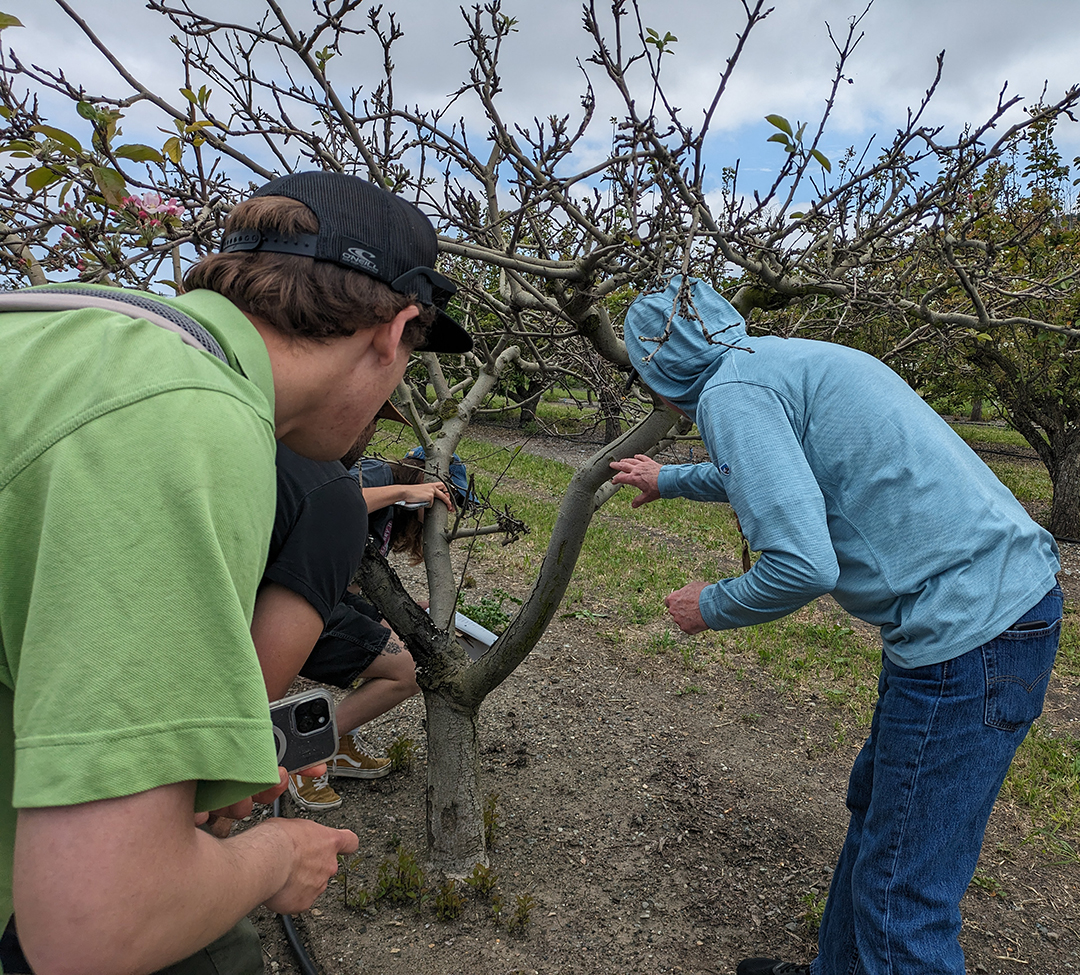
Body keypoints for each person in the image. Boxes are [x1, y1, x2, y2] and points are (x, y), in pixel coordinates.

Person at [0, 170, 471, 974]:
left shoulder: (60, 326)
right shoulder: (187, 424)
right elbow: (95, 927)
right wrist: (281, 855)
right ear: (393, 335)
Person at [609, 277, 1061, 975]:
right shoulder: (777, 363)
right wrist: (668, 480)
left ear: (659, 373)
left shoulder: (732, 395)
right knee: (882, 816)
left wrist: (711, 606)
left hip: (966, 637)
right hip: (999, 609)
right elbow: (770, 471)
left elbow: (803, 566)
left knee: (900, 895)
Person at [255, 417, 456, 813]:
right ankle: (299, 755)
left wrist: (397, 611)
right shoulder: (373, 476)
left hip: (317, 591)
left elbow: (350, 572)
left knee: (395, 635)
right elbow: (336, 499)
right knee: (408, 670)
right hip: (303, 598)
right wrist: (402, 491)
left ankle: (338, 743)